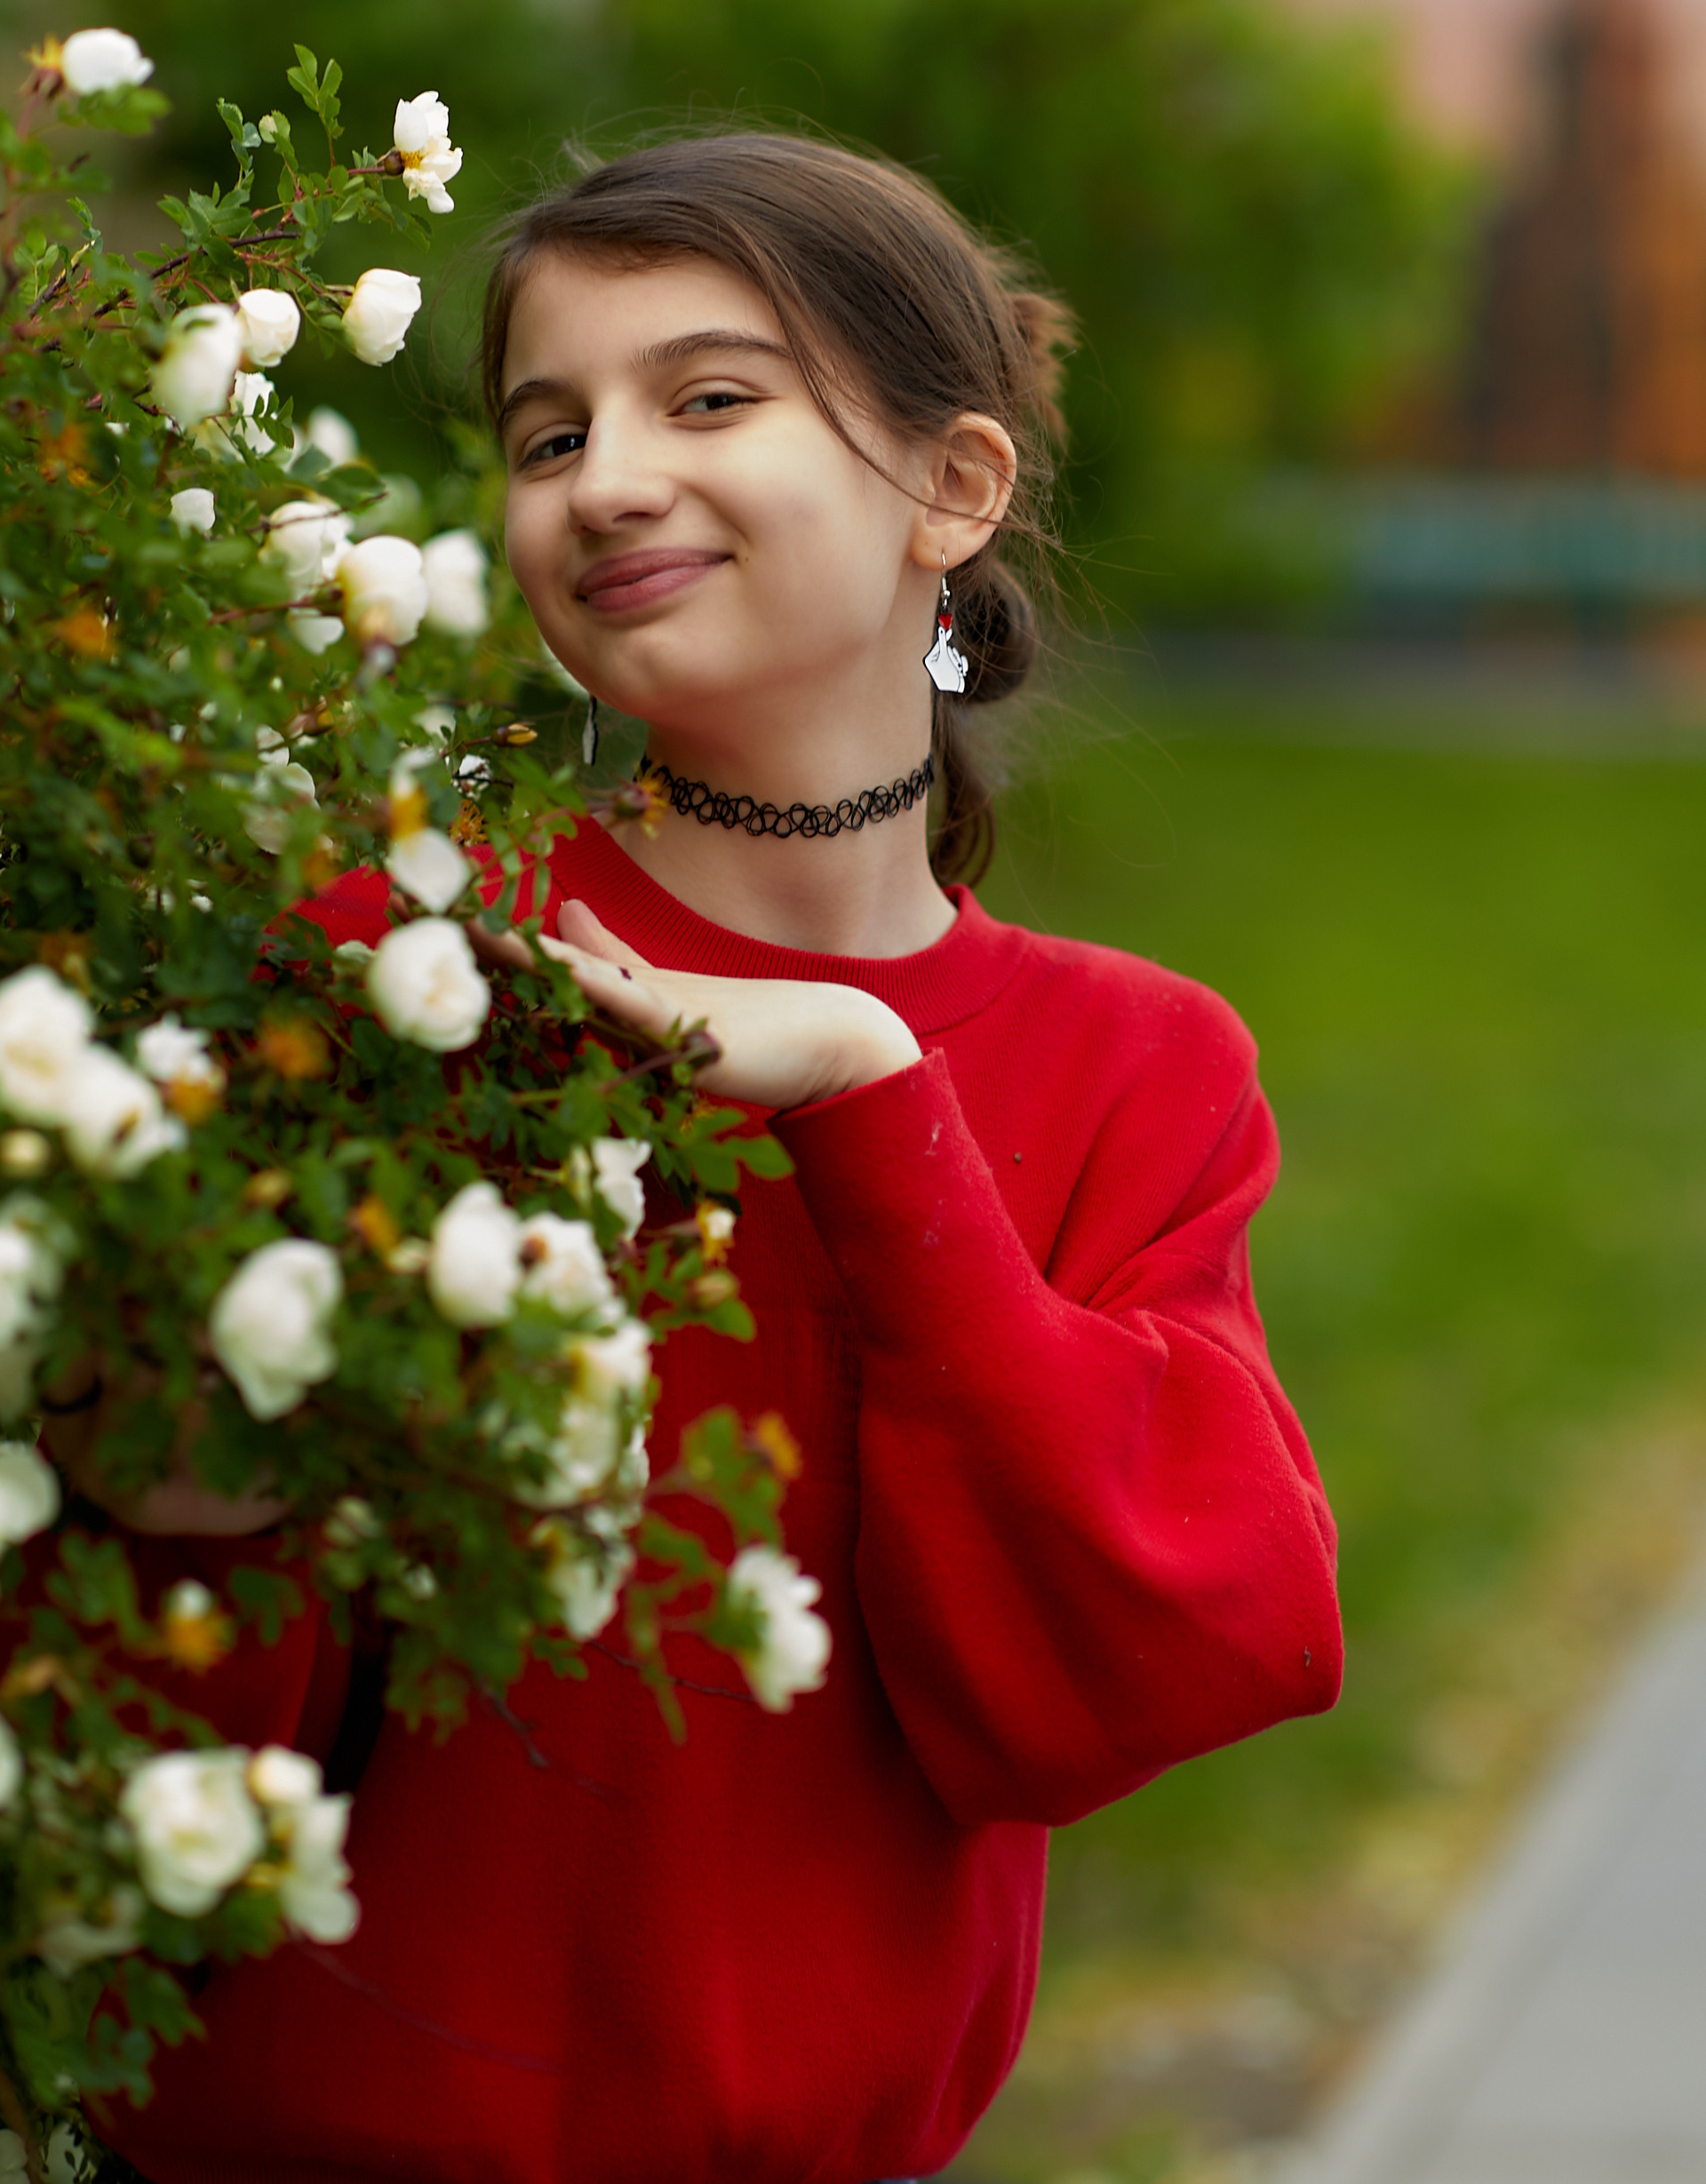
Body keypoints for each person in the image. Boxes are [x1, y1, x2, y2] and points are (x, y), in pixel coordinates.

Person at [67, 132, 1343, 2184]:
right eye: (546, 430)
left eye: (710, 396)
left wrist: (865, 1095)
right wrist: (180, 1497)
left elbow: (1157, 1651)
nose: (606, 478)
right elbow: (135, 1734)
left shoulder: (1134, 1070)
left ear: (952, 486)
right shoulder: (400, 959)